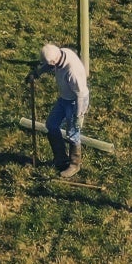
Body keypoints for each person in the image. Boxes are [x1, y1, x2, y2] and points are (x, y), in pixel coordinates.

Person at [26, 42, 89, 178]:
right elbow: (49, 65)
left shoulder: (72, 71)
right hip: (64, 98)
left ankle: (74, 164)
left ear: (55, 60)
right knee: (52, 125)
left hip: (75, 101)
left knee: (72, 133)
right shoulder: (60, 53)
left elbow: (81, 94)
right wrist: (37, 73)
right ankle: (60, 158)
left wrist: (78, 115)